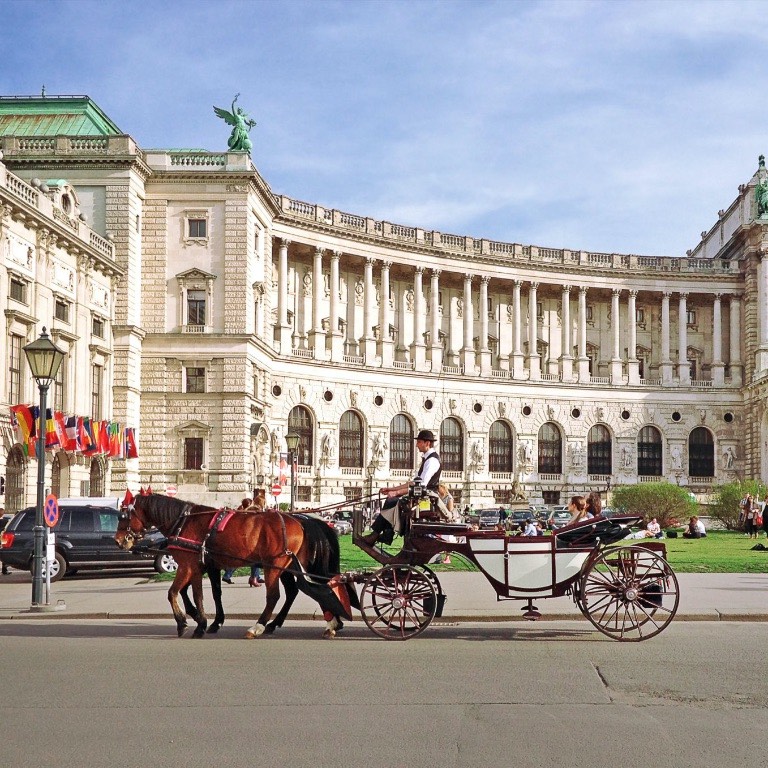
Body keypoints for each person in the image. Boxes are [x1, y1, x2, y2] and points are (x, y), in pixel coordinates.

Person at [363, 429, 441, 546]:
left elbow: (421, 486)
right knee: (391, 501)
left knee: (392, 501)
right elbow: (413, 483)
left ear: (427, 443)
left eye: (419, 442)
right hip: (422, 497)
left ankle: (379, 534)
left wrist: (396, 493)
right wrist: (392, 489)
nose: (416, 445)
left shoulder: (432, 461)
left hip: (426, 500)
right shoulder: (428, 459)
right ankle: (384, 534)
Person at [223, 498, 264, 586]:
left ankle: (255, 577)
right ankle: (254, 578)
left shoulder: (239, 512)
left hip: (241, 539)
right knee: (254, 558)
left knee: (241, 559)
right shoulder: (250, 513)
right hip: (247, 539)